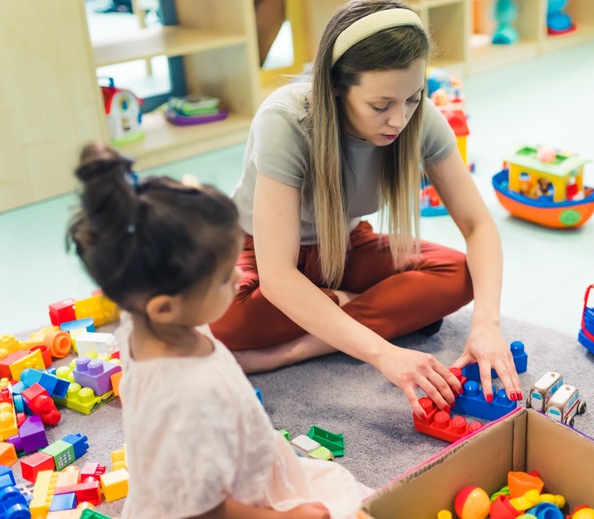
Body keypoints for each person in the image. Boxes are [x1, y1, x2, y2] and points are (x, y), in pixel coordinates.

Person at [210, 0, 522, 416]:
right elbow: (278, 276)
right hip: (258, 248)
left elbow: (477, 224)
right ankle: (360, 308)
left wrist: (487, 325)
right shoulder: (286, 120)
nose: (400, 120)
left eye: (412, 99)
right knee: (221, 317)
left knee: (459, 275)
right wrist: (383, 353)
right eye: (380, 106)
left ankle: (292, 349)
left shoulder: (420, 118)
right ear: (336, 88)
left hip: (344, 243)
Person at [67, 142, 371, 519]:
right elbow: (205, 511)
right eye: (224, 277)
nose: (241, 276)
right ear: (165, 307)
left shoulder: (144, 321)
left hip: (229, 468)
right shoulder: (186, 395)